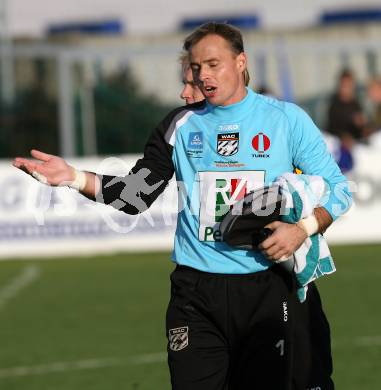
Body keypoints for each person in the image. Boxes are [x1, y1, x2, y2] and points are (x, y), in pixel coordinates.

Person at [13, 22, 352, 390]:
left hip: (266, 288)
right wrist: (73, 177)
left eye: (213, 64)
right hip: (196, 293)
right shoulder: (178, 125)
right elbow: (134, 195)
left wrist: (301, 229)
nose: (202, 74)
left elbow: (337, 189)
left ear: (241, 62)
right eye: (196, 67)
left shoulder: (287, 120)